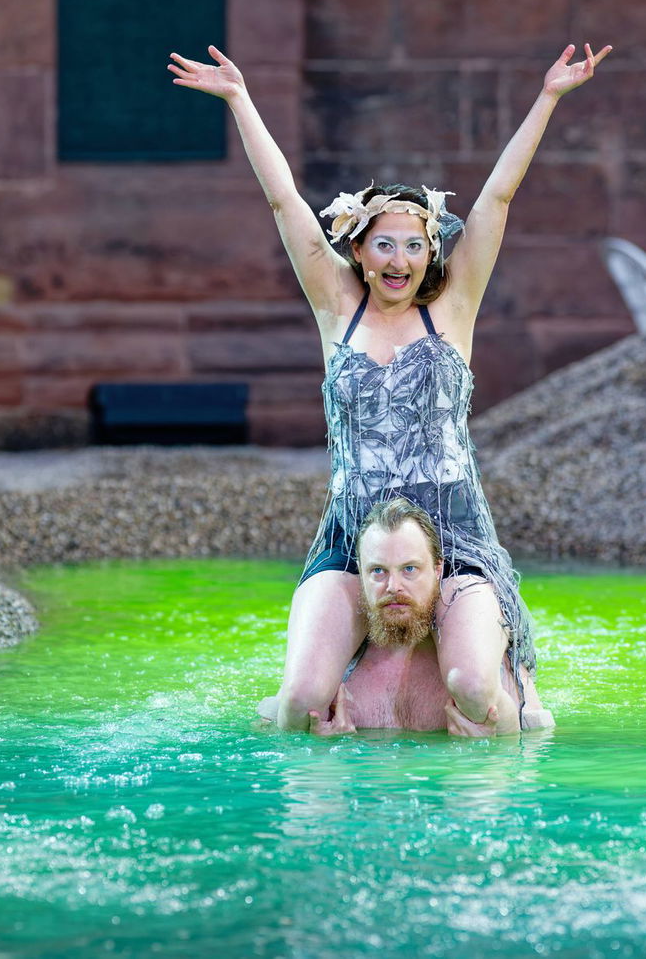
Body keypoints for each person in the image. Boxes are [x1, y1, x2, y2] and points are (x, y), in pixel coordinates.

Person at [169, 40, 612, 733]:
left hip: (453, 535)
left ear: (432, 251)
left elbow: (497, 196)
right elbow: (285, 204)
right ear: (359, 252)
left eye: (414, 244)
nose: (399, 258)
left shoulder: (452, 312)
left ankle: (512, 685)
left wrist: (548, 97)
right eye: (384, 243)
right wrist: (239, 100)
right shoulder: (337, 314)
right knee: (298, 707)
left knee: (475, 691)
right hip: (354, 536)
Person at [256, 498, 553, 735]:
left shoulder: (479, 657)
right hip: (347, 505)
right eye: (378, 571)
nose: (393, 587)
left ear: (438, 570)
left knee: (472, 685)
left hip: (457, 508)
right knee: (301, 698)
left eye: (409, 569)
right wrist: (327, 756)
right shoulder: (328, 671)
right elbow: (267, 745)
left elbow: (538, 758)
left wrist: (492, 750)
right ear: (360, 574)